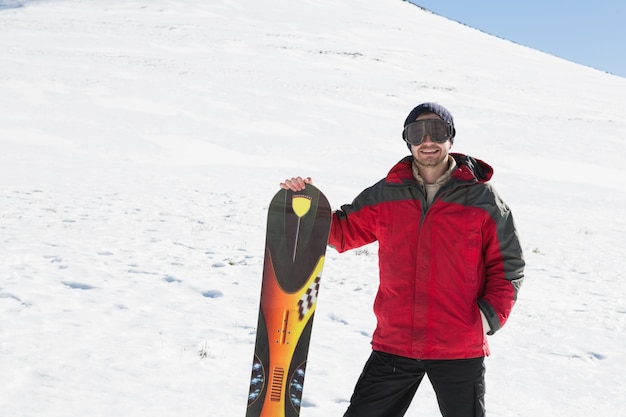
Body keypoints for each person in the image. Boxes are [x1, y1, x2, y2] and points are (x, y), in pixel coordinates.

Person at [280, 102, 524, 417]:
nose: (427, 141)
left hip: (457, 345)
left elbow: (508, 266)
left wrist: (487, 317)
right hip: (396, 342)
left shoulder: (482, 199)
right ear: (407, 140)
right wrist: (309, 203)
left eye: (437, 132)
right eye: (417, 133)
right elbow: (342, 231)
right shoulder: (388, 193)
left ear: (450, 138)